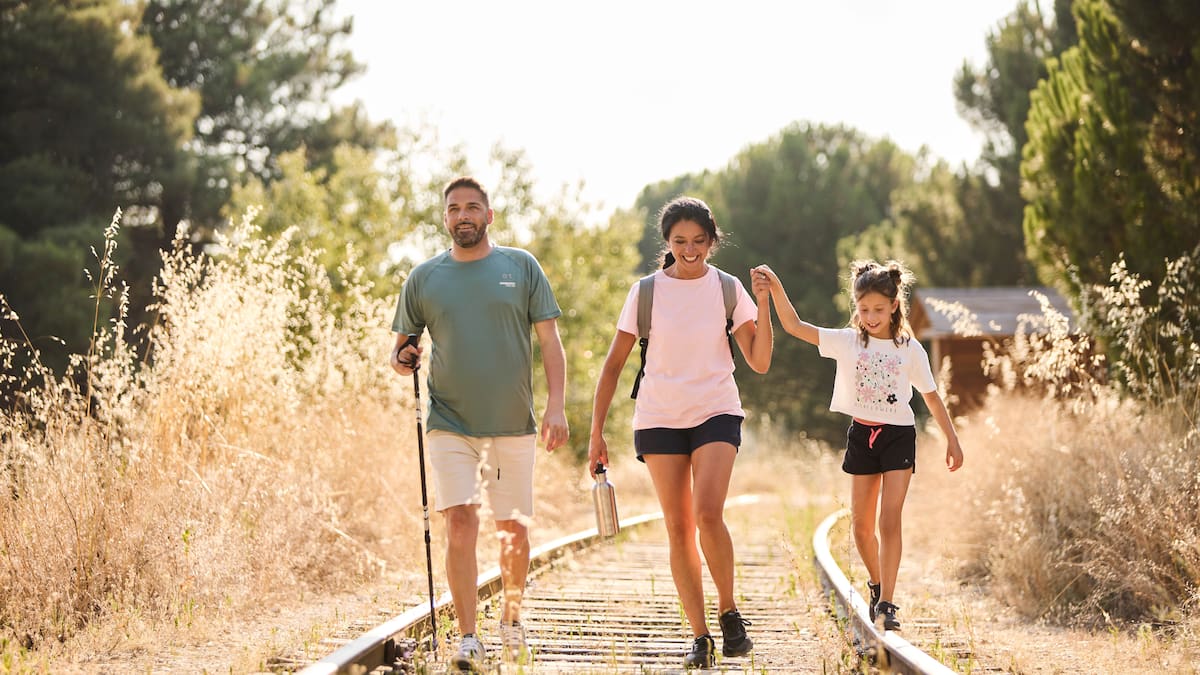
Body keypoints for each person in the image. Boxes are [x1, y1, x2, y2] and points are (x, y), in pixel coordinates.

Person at [390, 176, 568, 671]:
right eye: (453, 209)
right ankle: (468, 637)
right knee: (462, 523)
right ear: (444, 218)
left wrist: (557, 406)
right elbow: (399, 349)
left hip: (513, 422)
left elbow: (550, 342)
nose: (462, 215)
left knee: (512, 529)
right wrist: (404, 356)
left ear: (489, 215)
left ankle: (511, 623)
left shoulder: (521, 266)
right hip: (449, 421)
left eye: (472, 207)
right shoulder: (424, 277)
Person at [589, 196, 773, 669]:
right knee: (678, 528)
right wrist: (596, 434)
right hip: (658, 417)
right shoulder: (646, 292)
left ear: (712, 241)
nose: (690, 251)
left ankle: (730, 611)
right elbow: (612, 367)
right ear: (667, 243)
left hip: (715, 409)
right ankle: (700, 637)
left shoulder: (729, 288)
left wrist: (765, 303)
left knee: (708, 514)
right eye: (680, 242)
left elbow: (759, 360)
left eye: (698, 241)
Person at [752, 259, 964, 632]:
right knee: (862, 530)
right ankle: (877, 583)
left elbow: (931, 397)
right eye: (863, 309)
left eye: (878, 309)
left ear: (895, 305)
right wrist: (774, 288)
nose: (870, 316)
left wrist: (952, 439)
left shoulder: (909, 349)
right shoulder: (848, 342)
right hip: (862, 438)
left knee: (889, 519)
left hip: (898, 435)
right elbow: (795, 326)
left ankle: (888, 604)